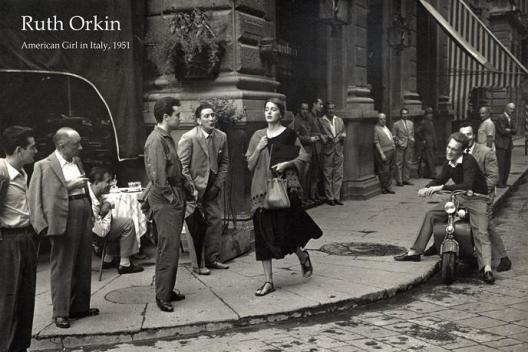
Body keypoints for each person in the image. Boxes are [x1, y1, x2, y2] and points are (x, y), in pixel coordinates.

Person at [394, 132, 495, 284]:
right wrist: (427, 187)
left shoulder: (469, 161)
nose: (449, 151)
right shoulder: (449, 163)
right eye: (448, 147)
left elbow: (466, 184)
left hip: (478, 198)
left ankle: (486, 268)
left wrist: (440, 187)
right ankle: (415, 252)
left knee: (481, 231)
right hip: (460, 197)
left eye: (454, 149)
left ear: (461, 151)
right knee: (431, 214)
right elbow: (440, 178)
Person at [245, 98, 322, 296]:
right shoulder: (257, 136)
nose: (269, 112)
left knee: (285, 232)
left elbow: (304, 157)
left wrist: (287, 164)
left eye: (273, 110)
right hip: (261, 191)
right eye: (267, 109)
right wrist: (259, 148)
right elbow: (249, 165)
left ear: (281, 114)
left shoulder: (289, 134)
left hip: (283, 189)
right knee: (263, 237)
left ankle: (301, 255)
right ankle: (268, 281)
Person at [29, 127, 98, 328]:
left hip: (82, 210)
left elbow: (85, 189)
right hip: (62, 216)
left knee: (83, 261)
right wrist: (40, 225)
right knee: (63, 264)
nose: (81, 147)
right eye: (76, 144)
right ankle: (60, 311)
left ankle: (80, 306)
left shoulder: (77, 161)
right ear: (61, 145)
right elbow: (34, 197)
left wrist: (91, 212)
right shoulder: (43, 166)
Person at [144, 96, 191, 312]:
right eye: (177, 115)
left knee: (172, 247)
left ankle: (167, 289)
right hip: (166, 199)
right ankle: (162, 295)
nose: (180, 118)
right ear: (165, 117)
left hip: (172, 195)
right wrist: (174, 199)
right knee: (168, 248)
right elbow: (159, 177)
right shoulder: (156, 140)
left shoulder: (165, 137)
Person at [178, 102, 230, 275]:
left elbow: (225, 163)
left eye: (213, 115)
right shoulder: (189, 137)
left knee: (215, 221)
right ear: (199, 120)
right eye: (206, 116)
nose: (211, 118)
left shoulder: (222, 136)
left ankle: (213, 258)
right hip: (194, 188)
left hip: (213, 187)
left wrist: (217, 185)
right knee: (196, 226)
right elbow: (182, 167)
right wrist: (191, 188)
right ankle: (198, 265)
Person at [0, 126, 38, 352]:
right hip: (9, 243)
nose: (36, 151)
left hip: (25, 239)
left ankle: (20, 347)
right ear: (18, 149)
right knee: (9, 302)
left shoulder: (22, 173)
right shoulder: (2, 174)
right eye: (32, 147)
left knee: (25, 299)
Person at [458, 123, 511, 272]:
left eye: (469, 134)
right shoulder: (459, 152)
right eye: (462, 135)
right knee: (448, 214)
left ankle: (504, 258)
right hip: (466, 195)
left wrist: (476, 191)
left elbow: (493, 177)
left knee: (486, 224)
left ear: (473, 135)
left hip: (483, 195)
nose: (466, 138)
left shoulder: (486, 152)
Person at [88, 167, 144, 274]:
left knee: (116, 222)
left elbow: (109, 201)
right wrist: (107, 210)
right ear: (96, 182)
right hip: (94, 236)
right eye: (107, 181)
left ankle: (109, 258)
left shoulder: (93, 191)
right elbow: (102, 232)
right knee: (127, 223)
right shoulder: (91, 202)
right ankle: (125, 264)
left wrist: (108, 204)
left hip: (95, 229)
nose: (111, 184)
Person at [289, 102, 323, 203]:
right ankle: (300, 199)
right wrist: (309, 139)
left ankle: (306, 197)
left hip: (309, 151)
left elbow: (312, 130)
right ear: (299, 109)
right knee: (302, 175)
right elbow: (296, 136)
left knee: (308, 175)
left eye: (306, 109)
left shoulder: (307, 119)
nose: (305, 111)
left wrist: (317, 136)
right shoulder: (297, 121)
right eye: (303, 109)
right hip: (301, 151)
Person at [319, 102, 346, 205]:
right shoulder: (321, 121)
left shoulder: (339, 120)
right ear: (326, 109)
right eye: (329, 108)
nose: (331, 110)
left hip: (339, 150)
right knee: (328, 174)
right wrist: (326, 137)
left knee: (338, 174)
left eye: (332, 108)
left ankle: (336, 197)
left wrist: (343, 136)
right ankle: (329, 197)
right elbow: (320, 135)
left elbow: (344, 132)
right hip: (327, 150)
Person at [306, 98, 325, 201]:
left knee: (317, 172)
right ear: (314, 104)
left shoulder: (318, 117)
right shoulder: (309, 116)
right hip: (312, 149)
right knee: (312, 172)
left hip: (318, 148)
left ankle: (315, 193)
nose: (321, 106)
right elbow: (307, 132)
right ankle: (311, 195)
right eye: (320, 104)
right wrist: (319, 135)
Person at [495, 102, 517, 188]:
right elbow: (502, 131)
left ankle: (504, 182)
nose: (512, 111)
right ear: (506, 108)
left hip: (508, 145)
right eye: (511, 109)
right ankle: (500, 183)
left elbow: (515, 130)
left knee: (507, 165)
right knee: (501, 165)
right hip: (501, 145)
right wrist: (510, 130)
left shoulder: (510, 118)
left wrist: (509, 130)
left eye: (513, 109)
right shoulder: (501, 117)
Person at [373, 113, 395, 194]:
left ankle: (389, 187)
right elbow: (376, 142)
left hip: (392, 150)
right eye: (381, 119)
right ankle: (383, 187)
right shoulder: (376, 128)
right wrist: (381, 154)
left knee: (390, 169)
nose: (383, 121)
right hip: (384, 151)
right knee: (384, 170)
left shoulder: (386, 127)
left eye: (384, 119)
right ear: (378, 120)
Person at [392, 107, 415, 186]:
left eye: (406, 113)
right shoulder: (396, 124)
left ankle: (406, 179)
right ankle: (399, 181)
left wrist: (412, 140)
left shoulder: (411, 123)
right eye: (403, 113)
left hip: (409, 144)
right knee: (399, 163)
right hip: (400, 145)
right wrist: (398, 143)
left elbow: (412, 134)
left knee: (408, 162)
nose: (404, 115)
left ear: (408, 114)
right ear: (401, 114)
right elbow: (394, 136)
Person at [415, 107, 437, 179]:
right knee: (430, 159)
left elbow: (433, 134)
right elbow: (417, 131)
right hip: (427, 143)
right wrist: (423, 139)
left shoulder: (431, 123)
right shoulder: (424, 122)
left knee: (429, 159)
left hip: (431, 143)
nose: (430, 115)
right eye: (429, 114)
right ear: (426, 115)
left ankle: (427, 174)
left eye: (431, 114)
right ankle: (432, 174)